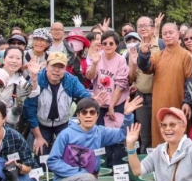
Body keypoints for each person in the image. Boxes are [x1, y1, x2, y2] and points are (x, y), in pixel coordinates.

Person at [48, 96, 142, 181]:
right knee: (87, 179)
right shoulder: (65, 134)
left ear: (97, 115)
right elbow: (52, 161)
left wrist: (127, 115)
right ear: (78, 115)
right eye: (84, 112)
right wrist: (78, 173)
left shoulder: (100, 132)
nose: (88, 115)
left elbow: (123, 134)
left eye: (92, 112)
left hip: (90, 180)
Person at [23, 52, 93, 154]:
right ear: (46, 66)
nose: (56, 70)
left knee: (68, 151)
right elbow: (29, 111)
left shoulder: (71, 81)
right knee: (40, 150)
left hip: (63, 122)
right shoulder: (36, 80)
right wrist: (38, 137)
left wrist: (93, 99)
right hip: (41, 123)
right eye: (53, 66)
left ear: (65, 69)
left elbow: (84, 95)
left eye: (61, 67)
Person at [138, 22, 192, 146]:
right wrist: (144, 53)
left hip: (178, 103)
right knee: (159, 136)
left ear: (178, 34)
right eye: (165, 34)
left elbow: (190, 79)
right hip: (159, 104)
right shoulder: (158, 55)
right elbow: (145, 68)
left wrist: (187, 101)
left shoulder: (186, 55)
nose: (168, 36)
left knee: (178, 136)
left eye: (171, 33)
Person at [87, 30, 130, 166]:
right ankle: (101, 167)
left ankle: (117, 169)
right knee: (99, 136)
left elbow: (120, 84)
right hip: (99, 104)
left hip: (117, 103)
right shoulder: (97, 57)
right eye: (104, 43)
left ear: (116, 45)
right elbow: (90, 76)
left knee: (117, 137)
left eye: (111, 43)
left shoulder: (121, 60)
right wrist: (94, 64)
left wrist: (112, 105)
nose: (108, 46)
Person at [128, 16, 161, 152]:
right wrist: (134, 65)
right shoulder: (134, 48)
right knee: (144, 135)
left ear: (153, 28)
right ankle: (145, 168)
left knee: (160, 132)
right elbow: (131, 78)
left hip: (159, 96)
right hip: (141, 97)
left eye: (146, 25)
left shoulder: (161, 45)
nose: (142, 28)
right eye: (139, 26)